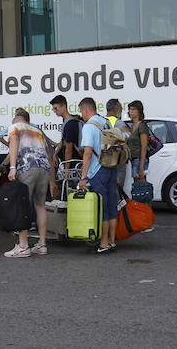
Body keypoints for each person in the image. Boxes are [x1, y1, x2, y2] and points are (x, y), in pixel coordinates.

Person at [3, 108, 58, 257]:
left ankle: (23, 246)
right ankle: (41, 244)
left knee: (22, 206)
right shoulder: (37, 131)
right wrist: (52, 181)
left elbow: (13, 144)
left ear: (16, 119)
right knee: (40, 206)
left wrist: (12, 167)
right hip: (43, 169)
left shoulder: (15, 127)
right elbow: (49, 155)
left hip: (27, 169)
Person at [77, 97, 118, 253]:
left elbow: (87, 153)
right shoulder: (106, 122)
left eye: (81, 111)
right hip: (111, 167)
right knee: (112, 205)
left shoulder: (89, 126)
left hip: (98, 171)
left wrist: (83, 177)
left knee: (102, 208)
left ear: (86, 109)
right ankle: (112, 241)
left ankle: (103, 243)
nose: (82, 114)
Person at [105, 98, 131, 191]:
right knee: (118, 189)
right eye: (121, 108)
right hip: (117, 159)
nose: (122, 110)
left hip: (104, 160)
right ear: (116, 110)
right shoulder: (118, 122)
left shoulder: (102, 120)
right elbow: (128, 136)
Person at [50, 94, 83, 164]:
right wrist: (55, 154)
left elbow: (69, 149)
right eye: (53, 109)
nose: (54, 111)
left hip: (75, 163)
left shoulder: (70, 124)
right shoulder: (66, 121)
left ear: (64, 106)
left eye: (56, 108)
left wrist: (67, 170)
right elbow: (63, 139)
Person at [127, 100, 150, 183]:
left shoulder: (142, 126)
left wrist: (141, 167)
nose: (131, 111)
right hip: (133, 159)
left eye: (133, 109)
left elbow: (144, 147)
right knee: (137, 185)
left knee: (141, 185)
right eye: (130, 109)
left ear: (139, 111)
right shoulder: (132, 125)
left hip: (139, 159)